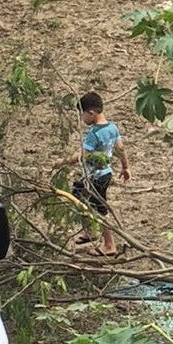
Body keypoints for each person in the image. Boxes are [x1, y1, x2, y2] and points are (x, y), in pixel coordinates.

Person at [56, 91, 131, 255]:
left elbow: (82, 155)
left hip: (95, 176)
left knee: (99, 209)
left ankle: (109, 245)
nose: (82, 119)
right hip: (105, 174)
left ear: (91, 112)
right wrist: (125, 167)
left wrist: (63, 162)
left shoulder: (94, 133)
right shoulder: (112, 127)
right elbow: (120, 148)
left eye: (82, 114)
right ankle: (89, 231)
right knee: (78, 195)